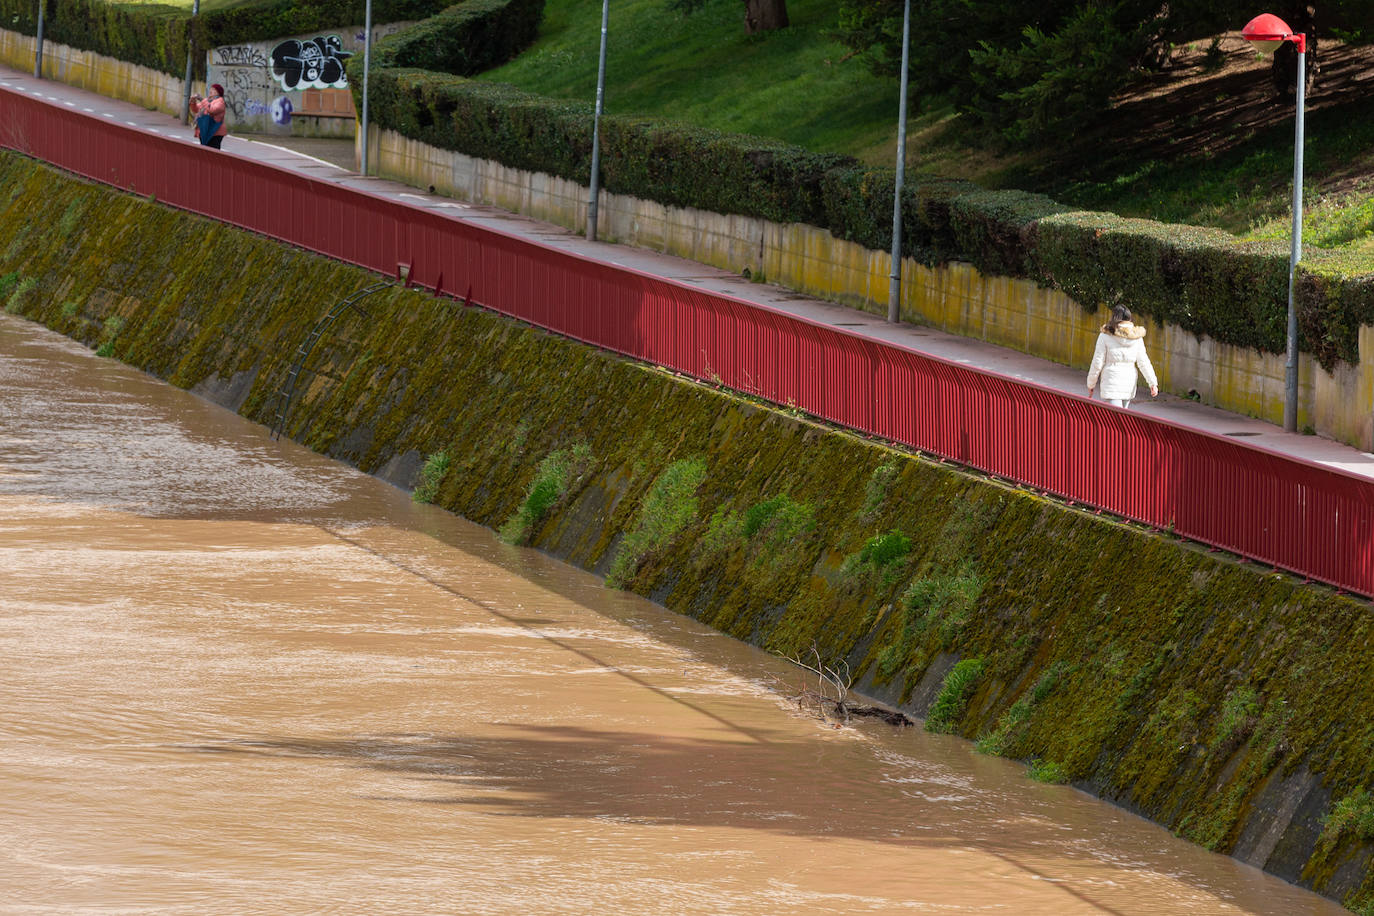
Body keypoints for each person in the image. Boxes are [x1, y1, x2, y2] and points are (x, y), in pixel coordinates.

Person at [1086, 305, 1158, 409]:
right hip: (1129, 383)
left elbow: (1097, 362)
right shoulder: (1136, 337)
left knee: (1115, 420)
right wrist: (1153, 383)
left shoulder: (1105, 335)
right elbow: (1144, 362)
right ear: (1129, 318)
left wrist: (1091, 384)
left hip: (1111, 382)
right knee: (1122, 419)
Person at [193, 83, 228, 149]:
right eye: (211, 89)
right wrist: (192, 101)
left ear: (218, 93)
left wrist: (202, 100)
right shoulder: (207, 100)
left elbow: (211, 110)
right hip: (205, 129)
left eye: (214, 89)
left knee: (212, 152)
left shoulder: (220, 102)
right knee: (205, 151)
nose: (211, 91)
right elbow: (196, 109)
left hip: (215, 132)